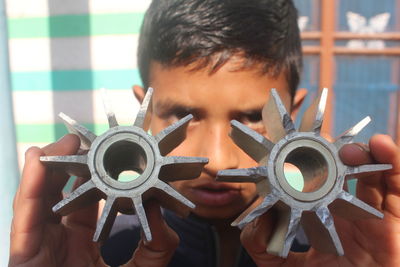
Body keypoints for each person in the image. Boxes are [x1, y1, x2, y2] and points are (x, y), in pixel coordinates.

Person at [8, 0, 400, 266]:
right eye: (183, 114)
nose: (217, 160)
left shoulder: (333, 254)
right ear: (144, 112)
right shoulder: (107, 250)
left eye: (249, 118)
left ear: (292, 117)